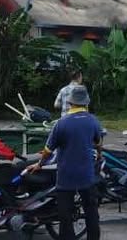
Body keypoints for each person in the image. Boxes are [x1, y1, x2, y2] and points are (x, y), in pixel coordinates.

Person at [31, 85, 102, 240]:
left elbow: (48, 150)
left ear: (70, 103)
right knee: (91, 212)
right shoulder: (93, 121)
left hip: (66, 176)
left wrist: (39, 164)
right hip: (86, 175)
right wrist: (99, 155)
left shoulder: (61, 123)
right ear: (86, 103)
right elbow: (98, 143)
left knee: (65, 217)